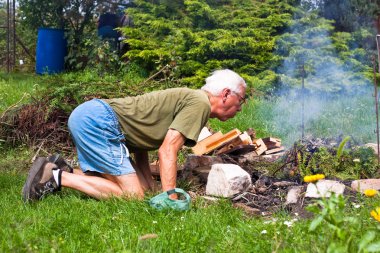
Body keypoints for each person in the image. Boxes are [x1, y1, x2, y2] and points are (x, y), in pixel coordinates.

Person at [22, 69, 247, 202]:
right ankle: (56, 177)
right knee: (133, 196)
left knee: (142, 190)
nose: (240, 108)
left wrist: (151, 186)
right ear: (226, 94)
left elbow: (142, 142)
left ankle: (63, 168)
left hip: (91, 116)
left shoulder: (192, 99)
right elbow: (167, 150)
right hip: (99, 121)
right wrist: (171, 197)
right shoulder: (200, 103)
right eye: (241, 100)